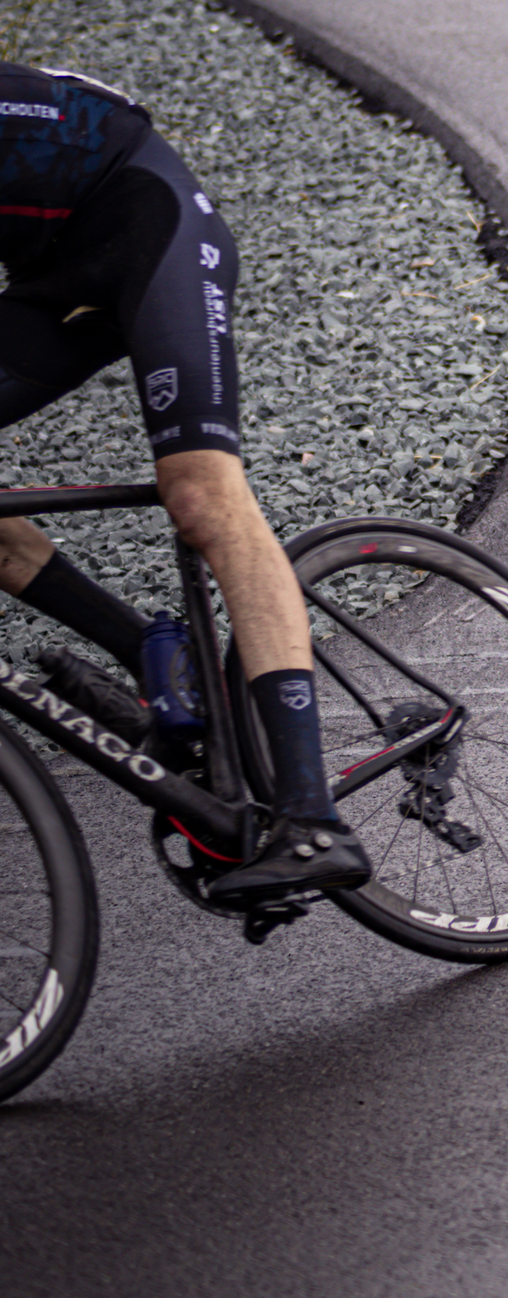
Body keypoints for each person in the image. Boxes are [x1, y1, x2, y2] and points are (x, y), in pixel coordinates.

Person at [0, 62, 372, 901]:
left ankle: (314, 821)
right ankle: (156, 662)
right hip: (51, 280)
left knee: (200, 493)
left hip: (149, 223)